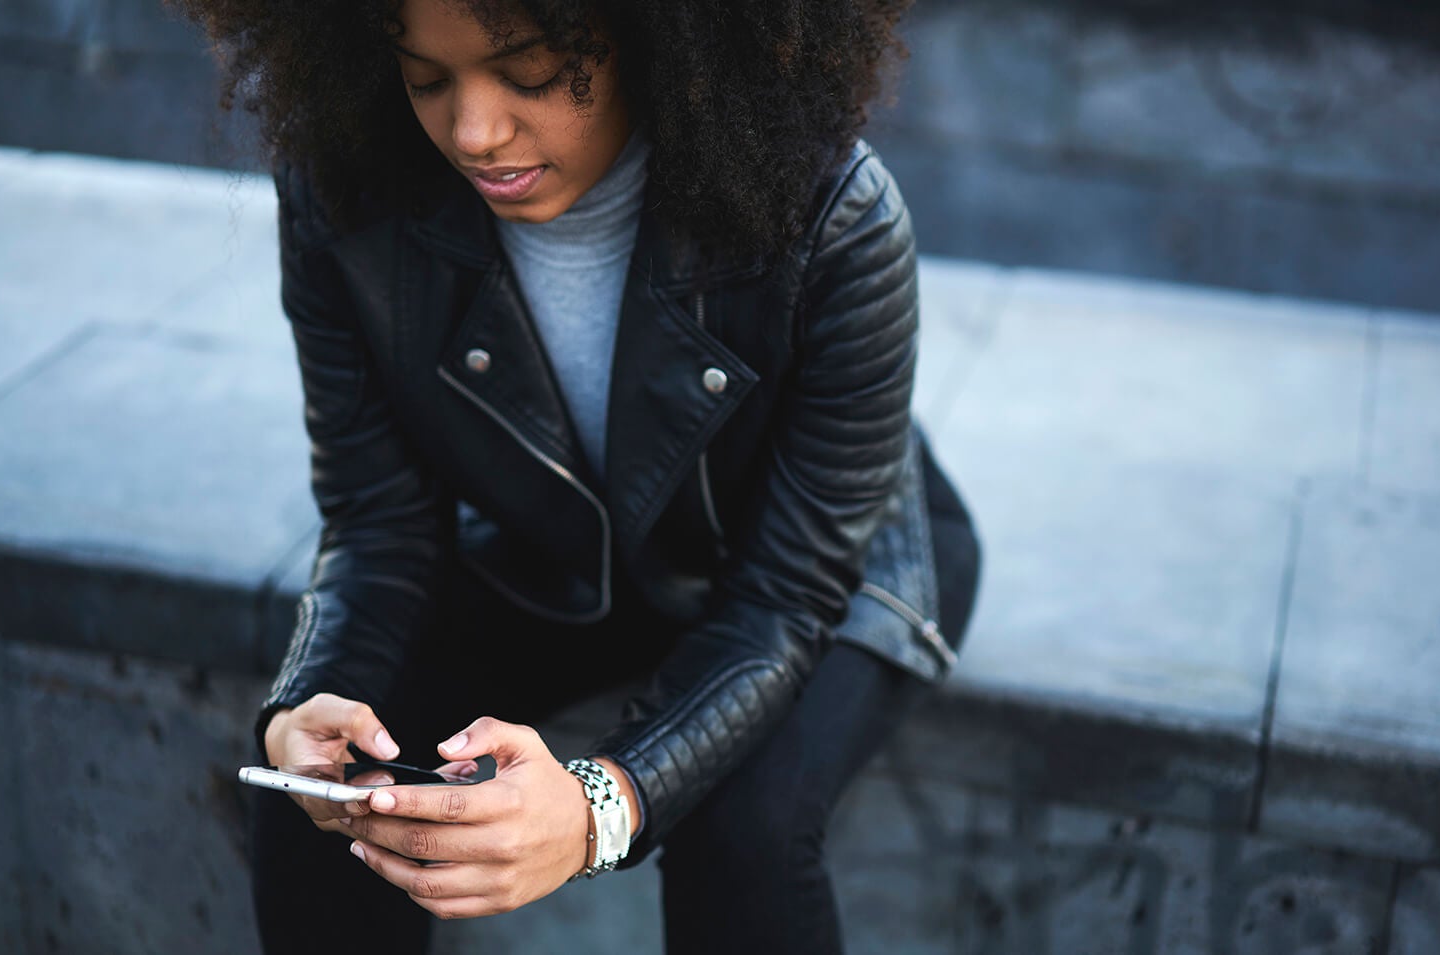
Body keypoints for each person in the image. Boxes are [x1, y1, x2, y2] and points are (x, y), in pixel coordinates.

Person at [175, 0, 980, 950]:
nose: (475, 132)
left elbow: (785, 592)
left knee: (742, 831)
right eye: (425, 76)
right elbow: (379, 521)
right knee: (330, 791)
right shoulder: (345, 188)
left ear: (655, 34)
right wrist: (313, 696)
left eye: (529, 73)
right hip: (558, 542)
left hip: (829, 570)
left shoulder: (834, 214)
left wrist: (602, 804)